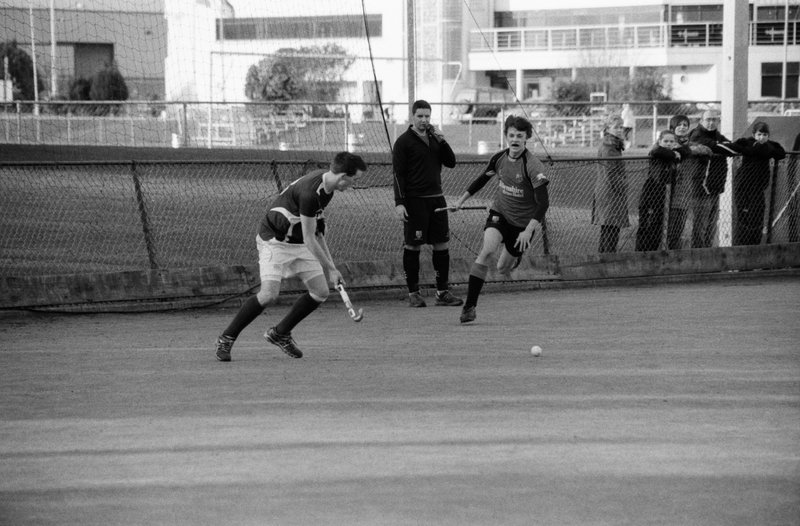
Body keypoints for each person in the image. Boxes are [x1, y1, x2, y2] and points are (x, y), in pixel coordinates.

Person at [214, 151, 368, 361]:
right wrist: (331, 269)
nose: (353, 184)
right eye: (354, 180)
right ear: (343, 176)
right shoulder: (311, 193)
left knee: (320, 292)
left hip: (298, 242)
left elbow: (318, 233)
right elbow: (309, 238)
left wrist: (331, 267)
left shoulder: (328, 188)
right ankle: (226, 338)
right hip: (274, 241)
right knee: (269, 294)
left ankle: (280, 333)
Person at [446, 115, 549, 324]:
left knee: (502, 268)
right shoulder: (499, 158)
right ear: (506, 136)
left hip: (522, 225)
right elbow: (482, 180)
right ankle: (470, 307)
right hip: (499, 213)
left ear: (526, 138)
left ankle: (515, 258)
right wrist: (460, 201)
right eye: (511, 135)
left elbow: (543, 204)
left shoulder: (533, 166)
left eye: (520, 136)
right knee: (488, 251)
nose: (515, 139)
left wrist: (528, 230)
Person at [392, 99, 463, 307]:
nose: (424, 120)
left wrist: (442, 140)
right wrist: (399, 202)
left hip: (436, 200)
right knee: (413, 245)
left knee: (441, 244)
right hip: (414, 202)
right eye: (420, 116)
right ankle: (414, 293)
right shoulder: (403, 142)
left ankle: (442, 292)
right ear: (412, 116)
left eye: (427, 116)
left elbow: (451, 162)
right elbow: (398, 175)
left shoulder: (434, 139)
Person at [686, 109, 738, 248]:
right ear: (701, 121)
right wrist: (725, 146)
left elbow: (732, 148)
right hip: (701, 188)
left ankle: (709, 260)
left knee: (711, 227)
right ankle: (698, 261)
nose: (711, 122)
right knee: (700, 228)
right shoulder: (697, 135)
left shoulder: (716, 134)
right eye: (708, 119)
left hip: (715, 187)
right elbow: (725, 148)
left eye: (714, 119)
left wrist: (727, 146)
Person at [731, 121, 786, 245]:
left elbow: (781, 153)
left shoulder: (770, 145)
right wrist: (754, 149)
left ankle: (755, 248)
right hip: (743, 188)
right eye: (759, 134)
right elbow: (735, 146)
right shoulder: (747, 142)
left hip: (759, 189)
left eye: (765, 135)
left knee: (757, 218)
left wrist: (765, 148)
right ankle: (742, 248)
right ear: (754, 134)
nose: (762, 137)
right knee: (744, 219)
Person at [635, 130, 691, 251]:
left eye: (672, 141)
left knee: (658, 229)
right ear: (659, 141)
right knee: (646, 228)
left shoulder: (674, 153)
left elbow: (687, 150)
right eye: (665, 141)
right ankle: (641, 254)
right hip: (651, 197)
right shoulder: (657, 152)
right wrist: (674, 154)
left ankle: (653, 255)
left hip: (665, 197)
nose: (668, 144)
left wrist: (678, 152)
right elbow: (658, 151)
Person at [665, 115, 712, 250]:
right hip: (668, 192)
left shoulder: (690, 145)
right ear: (673, 127)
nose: (682, 127)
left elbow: (707, 150)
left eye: (685, 125)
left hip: (684, 193)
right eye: (679, 125)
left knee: (678, 230)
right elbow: (667, 149)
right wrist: (687, 151)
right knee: (667, 230)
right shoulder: (667, 142)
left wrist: (691, 150)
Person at [591, 115, 629, 253]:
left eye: (621, 127)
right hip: (611, 192)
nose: (619, 129)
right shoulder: (609, 147)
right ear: (607, 129)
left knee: (609, 228)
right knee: (611, 230)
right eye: (616, 127)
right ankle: (607, 260)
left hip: (608, 191)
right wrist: (624, 185)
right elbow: (611, 174)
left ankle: (603, 259)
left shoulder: (613, 144)